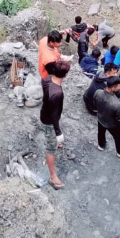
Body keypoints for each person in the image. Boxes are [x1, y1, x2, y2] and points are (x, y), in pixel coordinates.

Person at [42, 60, 70, 189]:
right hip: (50, 121)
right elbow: (54, 116)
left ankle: (55, 142)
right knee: (50, 148)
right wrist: (58, 132)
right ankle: (53, 177)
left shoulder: (47, 79)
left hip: (45, 113)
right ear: (65, 75)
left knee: (53, 142)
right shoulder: (57, 93)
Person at [95, 75, 120, 157]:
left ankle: (101, 145)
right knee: (118, 138)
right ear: (113, 88)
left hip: (100, 118)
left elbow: (95, 103)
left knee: (101, 133)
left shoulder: (98, 92)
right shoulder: (116, 103)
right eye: (119, 86)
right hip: (113, 124)